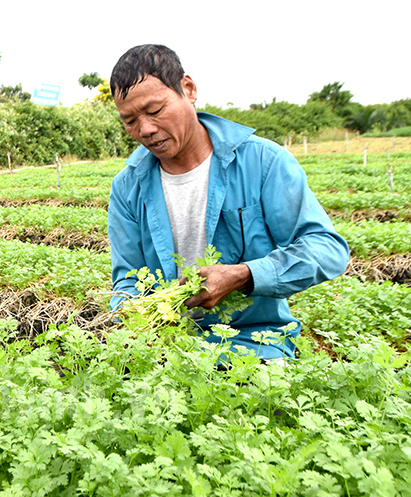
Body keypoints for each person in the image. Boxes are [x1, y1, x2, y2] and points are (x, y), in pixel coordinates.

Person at [107, 44, 350, 360]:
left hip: (253, 341)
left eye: (155, 111)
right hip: (166, 343)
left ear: (188, 89)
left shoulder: (264, 163)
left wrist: (245, 275)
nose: (146, 130)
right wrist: (127, 308)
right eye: (130, 120)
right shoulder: (127, 186)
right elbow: (127, 276)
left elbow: (326, 249)